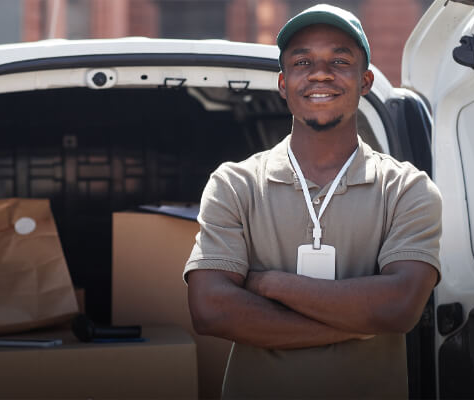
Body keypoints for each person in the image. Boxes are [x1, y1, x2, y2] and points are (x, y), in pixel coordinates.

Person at [183, 4, 442, 399]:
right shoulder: (234, 183)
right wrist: (359, 323)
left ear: (365, 80)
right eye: (303, 62)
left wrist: (271, 283)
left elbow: (399, 307)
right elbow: (211, 310)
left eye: (339, 60)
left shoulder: (407, 189)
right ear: (284, 84)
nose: (321, 73)